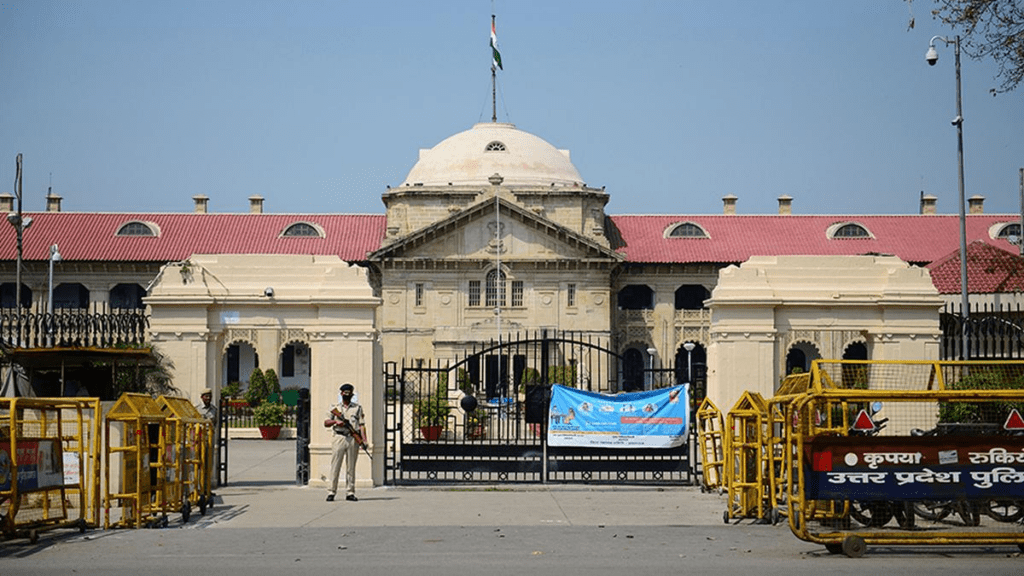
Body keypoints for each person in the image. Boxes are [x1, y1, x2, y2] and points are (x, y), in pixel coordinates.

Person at [324, 383, 367, 502]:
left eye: (349, 394)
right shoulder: (335, 408)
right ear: (341, 394)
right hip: (339, 437)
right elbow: (326, 422)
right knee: (335, 466)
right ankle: (331, 491)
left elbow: (362, 425)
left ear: (352, 395)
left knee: (351, 467)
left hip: (352, 438)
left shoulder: (357, 408)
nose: (347, 396)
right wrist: (335, 423)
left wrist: (364, 440)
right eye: (345, 394)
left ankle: (350, 492)